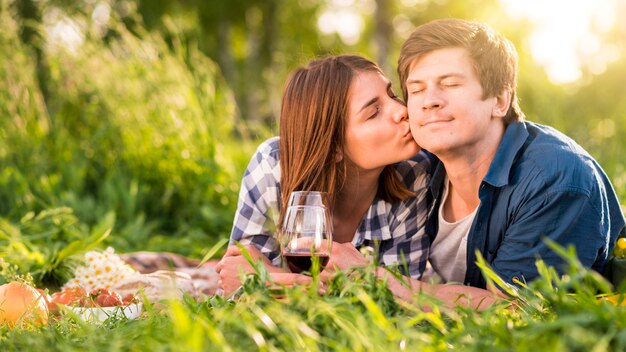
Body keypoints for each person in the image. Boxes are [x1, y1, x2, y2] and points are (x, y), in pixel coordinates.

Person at [216, 54, 502, 310]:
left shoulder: (414, 175)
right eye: (373, 112)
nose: (402, 109)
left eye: (392, 94)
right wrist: (259, 281)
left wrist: (275, 280)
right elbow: (241, 284)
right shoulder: (272, 166)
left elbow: (392, 306)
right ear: (334, 145)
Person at [397, 18, 625, 290]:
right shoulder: (415, 169)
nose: (429, 100)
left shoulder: (556, 179)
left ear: (500, 101)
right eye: (417, 89)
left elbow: (511, 309)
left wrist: (384, 282)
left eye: (451, 84)